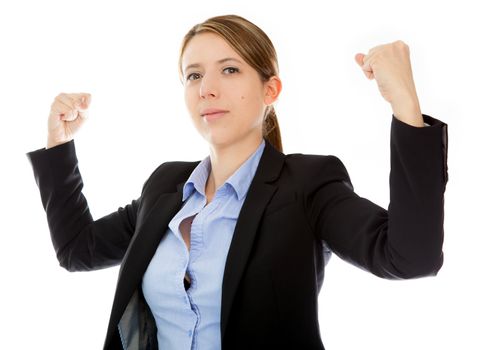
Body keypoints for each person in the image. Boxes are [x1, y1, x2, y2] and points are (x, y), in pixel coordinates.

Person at [27, 14, 448, 350]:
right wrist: (58, 145)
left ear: (271, 90)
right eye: (193, 75)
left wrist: (406, 105)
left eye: (229, 70)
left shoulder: (308, 183)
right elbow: (77, 250)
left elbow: (410, 257)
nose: (207, 89)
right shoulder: (164, 186)